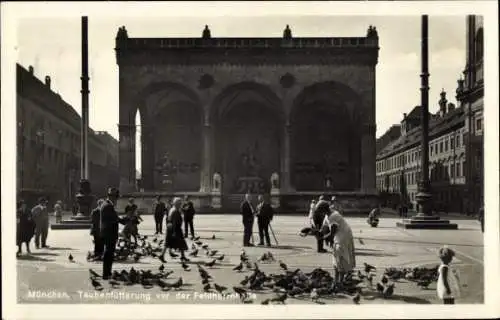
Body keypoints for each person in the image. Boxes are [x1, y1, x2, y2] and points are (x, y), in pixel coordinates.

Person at [321, 208, 356, 285]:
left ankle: (340, 281)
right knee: (336, 259)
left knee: (340, 258)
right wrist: (309, 231)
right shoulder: (328, 215)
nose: (320, 214)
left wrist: (322, 238)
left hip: (343, 237)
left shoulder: (333, 216)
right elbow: (323, 230)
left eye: (320, 212)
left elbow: (331, 234)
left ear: (324, 211)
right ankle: (337, 280)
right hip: (339, 236)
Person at [100, 187, 126, 280]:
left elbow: (114, 218)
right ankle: (106, 274)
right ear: (112, 197)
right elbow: (115, 219)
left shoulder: (106, 205)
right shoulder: (108, 206)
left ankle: (107, 273)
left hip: (108, 233)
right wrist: (125, 219)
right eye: (116, 198)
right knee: (108, 254)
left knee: (109, 253)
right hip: (109, 233)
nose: (117, 200)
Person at [160, 197, 189, 262]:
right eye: (179, 203)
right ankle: (162, 255)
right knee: (170, 243)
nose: (180, 204)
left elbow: (169, 219)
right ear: (177, 204)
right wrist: (174, 232)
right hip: (175, 229)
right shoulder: (175, 211)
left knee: (170, 243)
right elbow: (175, 221)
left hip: (172, 228)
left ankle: (182, 256)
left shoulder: (172, 209)